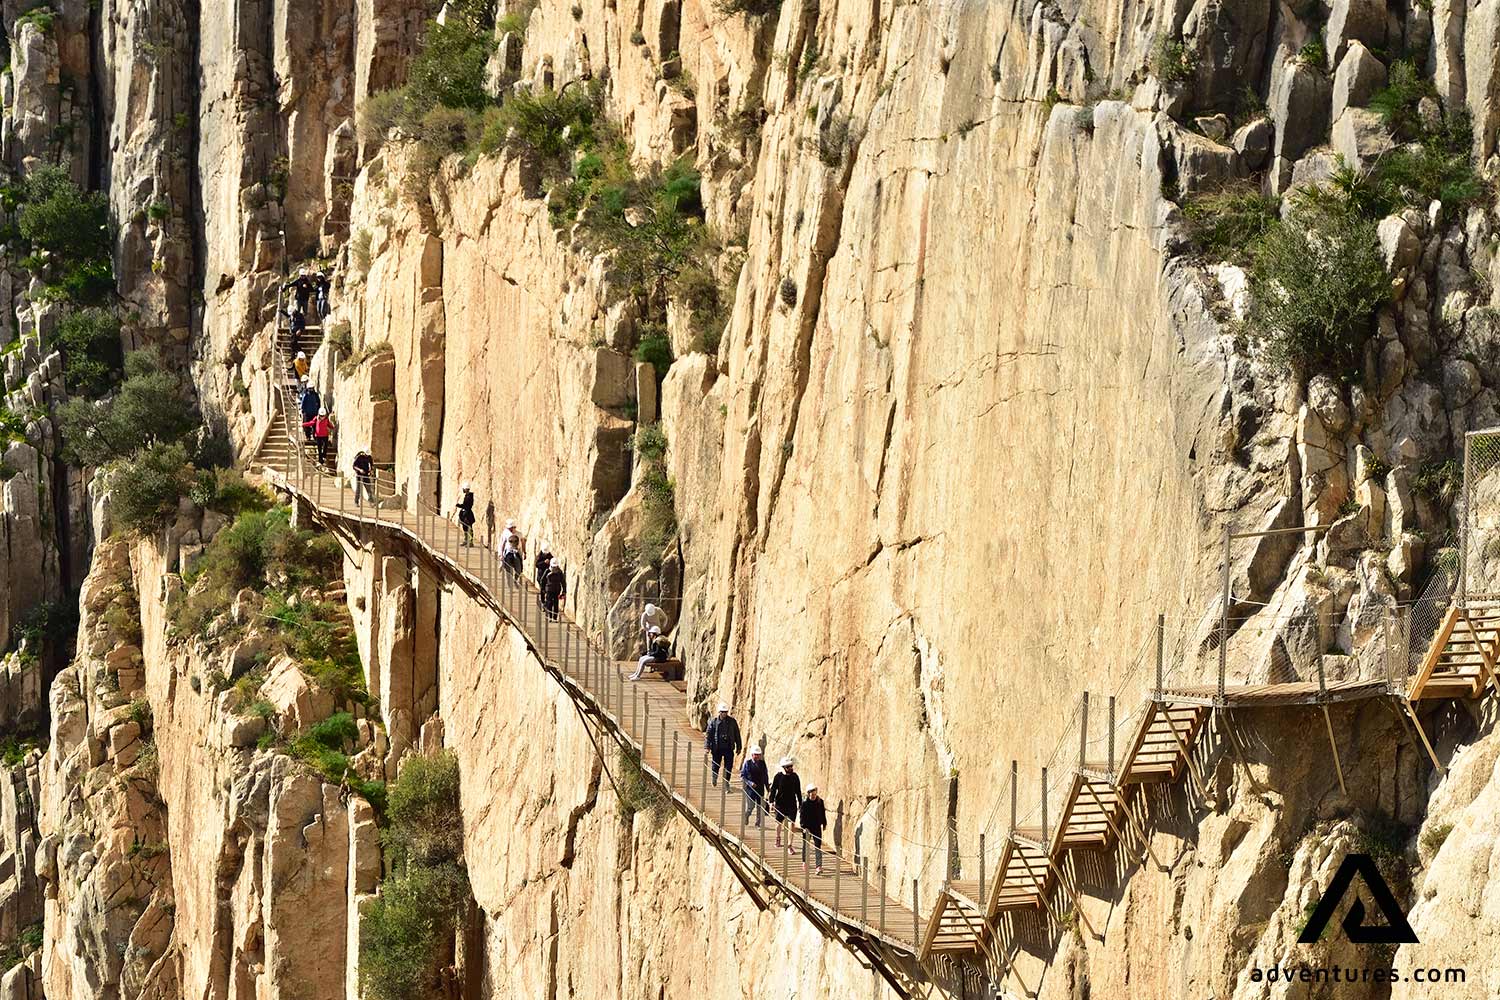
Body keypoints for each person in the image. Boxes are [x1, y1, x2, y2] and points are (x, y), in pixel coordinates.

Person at [704, 703, 741, 787]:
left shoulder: (732, 722)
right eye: (722, 712)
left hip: (728, 747)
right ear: (719, 712)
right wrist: (707, 747)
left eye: (725, 712)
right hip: (717, 748)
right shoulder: (714, 722)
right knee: (715, 765)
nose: (724, 713)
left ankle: (726, 782)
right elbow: (708, 735)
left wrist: (739, 747)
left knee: (728, 767)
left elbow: (737, 734)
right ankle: (714, 778)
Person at [770, 757, 802, 850]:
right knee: (779, 822)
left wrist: (800, 803)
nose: (790, 768)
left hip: (791, 803)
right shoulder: (778, 777)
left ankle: (789, 845)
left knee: (792, 823)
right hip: (780, 803)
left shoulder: (795, 777)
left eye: (791, 766)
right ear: (783, 768)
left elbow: (798, 791)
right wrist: (771, 801)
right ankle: (778, 837)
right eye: (788, 767)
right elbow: (773, 790)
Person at [800, 785, 827, 875]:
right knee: (806, 844)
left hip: (816, 826)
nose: (813, 796)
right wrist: (803, 827)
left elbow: (822, 813)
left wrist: (824, 823)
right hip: (807, 827)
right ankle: (804, 861)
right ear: (808, 794)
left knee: (817, 846)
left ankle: (818, 866)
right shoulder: (804, 803)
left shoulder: (820, 802)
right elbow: (802, 816)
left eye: (815, 794)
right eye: (812, 794)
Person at [740, 747, 768, 827]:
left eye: (758, 755)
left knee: (760, 807)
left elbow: (765, 775)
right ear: (752, 755)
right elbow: (742, 776)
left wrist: (767, 787)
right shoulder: (747, 763)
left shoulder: (762, 763)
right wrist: (750, 783)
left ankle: (758, 824)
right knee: (750, 807)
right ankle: (746, 816)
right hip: (750, 790)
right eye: (755, 755)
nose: (757, 756)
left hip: (760, 788)